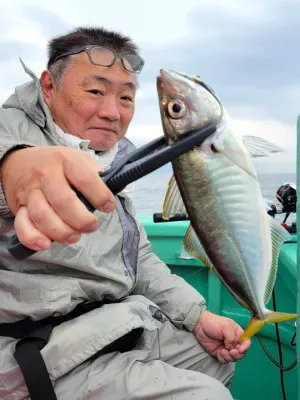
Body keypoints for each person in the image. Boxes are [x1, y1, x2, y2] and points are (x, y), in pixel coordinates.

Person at [0, 27, 250, 400]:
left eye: (127, 98)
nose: (112, 112)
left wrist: (197, 316)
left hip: (109, 325)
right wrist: (14, 167)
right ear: (49, 87)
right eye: (95, 91)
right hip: (38, 349)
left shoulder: (114, 159)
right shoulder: (11, 132)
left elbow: (138, 258)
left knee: (214, 361)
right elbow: (15, 164)